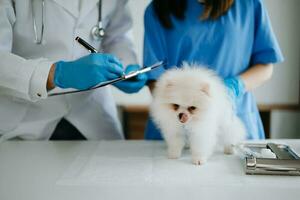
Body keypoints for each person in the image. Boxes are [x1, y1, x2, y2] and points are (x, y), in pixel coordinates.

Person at [0, 0, 147, 141]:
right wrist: (55, 74)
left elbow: (117, 36)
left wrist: (126, 66)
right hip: (24, 118)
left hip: (93, 116)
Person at [143, 0, 284, 140]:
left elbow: (265, 66)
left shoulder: (250, 4)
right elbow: (155, 77)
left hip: (234, 119)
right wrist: (176, 108)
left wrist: (235, 86)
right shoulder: (157, 9)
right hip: (175, 127)